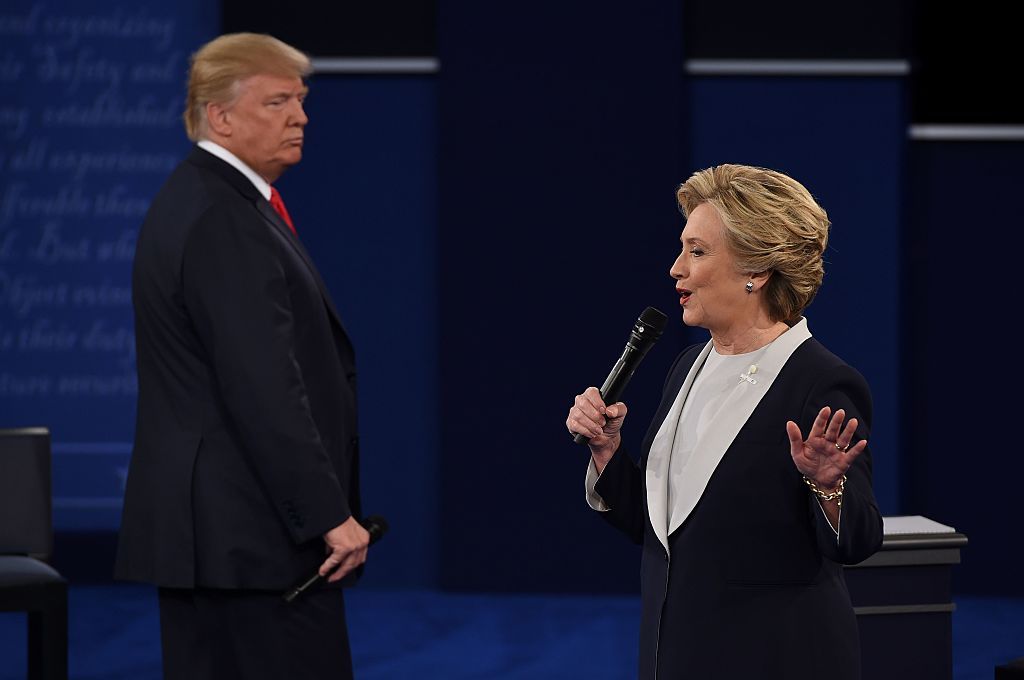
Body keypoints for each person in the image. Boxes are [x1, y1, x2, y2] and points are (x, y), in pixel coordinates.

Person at [566, 164, 883, 680]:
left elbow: (857, 542)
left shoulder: (821, 383)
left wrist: (828, 487)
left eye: (697, 251)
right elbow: (667, 532)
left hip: (775, 660)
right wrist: (606, 452)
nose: (675, 268)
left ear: (755, 269)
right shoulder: (686, 367)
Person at [115, 33, 368, 680]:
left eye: (302, 100)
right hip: (251, 545)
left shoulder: (211, 201)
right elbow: (264, 387)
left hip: (227, 542)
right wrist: (327, 515)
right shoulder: (220, 217)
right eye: (278, 101)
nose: (300, 116)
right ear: (220, 116)